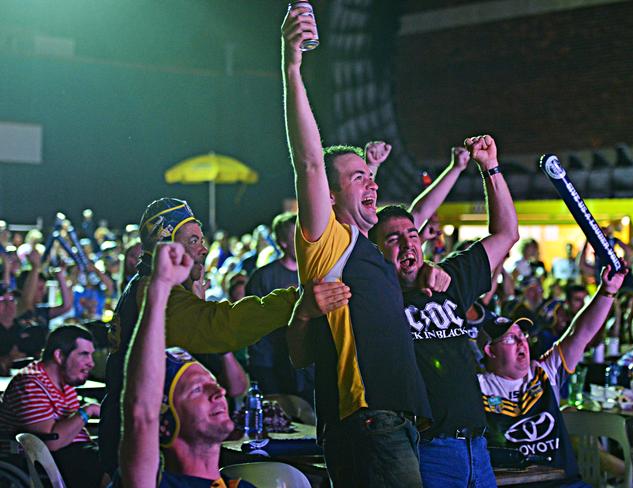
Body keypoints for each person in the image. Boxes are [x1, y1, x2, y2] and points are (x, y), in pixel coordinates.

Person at [281, 9, 456, 487]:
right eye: (357, 178)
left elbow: (401, 218)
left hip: (393, 422)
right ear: (331, 197)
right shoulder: (326, 241)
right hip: (368, 420)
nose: (371, 185)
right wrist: (292, 64)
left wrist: (426, 273)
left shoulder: (364, 245)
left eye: (370, 177)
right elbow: (312, 164)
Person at [99, 197, 345, 476]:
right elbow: (221, 325)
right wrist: (295, 301)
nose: (203, 249)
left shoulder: (150, 286)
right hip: (143, 448)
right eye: (192, 241)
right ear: (166, 248)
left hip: (146, 437)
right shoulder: (153, 292)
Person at [369, 135, 519, 487]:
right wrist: (371, 170)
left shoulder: (450, 279)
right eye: (393, 239)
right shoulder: (373, 297)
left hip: (476, 446)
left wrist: (490, 168)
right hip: (423, 450)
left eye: (413, 235)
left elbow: (506, 233)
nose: (408, 243)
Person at [478, 265, 627, 485]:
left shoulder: (544, 371)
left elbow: (580, 333)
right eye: (510, 339)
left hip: (565, 483)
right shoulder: (477, 386)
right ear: (490, 351)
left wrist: (608, 291)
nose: (522, 342)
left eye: (522, 335)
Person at [0, 325, 107, 488]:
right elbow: (50, 443)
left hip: (75, 455)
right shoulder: (30, 384)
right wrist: (88, 410)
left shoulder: (65, 382)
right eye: (84, 354)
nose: (91, 363)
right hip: (50, 465)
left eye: (91, 355)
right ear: (59, 355)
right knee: (120, 465)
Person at [245, 212, 314, 403]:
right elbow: (253, 326)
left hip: (305, 366)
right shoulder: (263, 277)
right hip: (271, 365)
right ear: (282, 243)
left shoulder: (313, 274)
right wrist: (261, 368)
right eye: (295, 236)